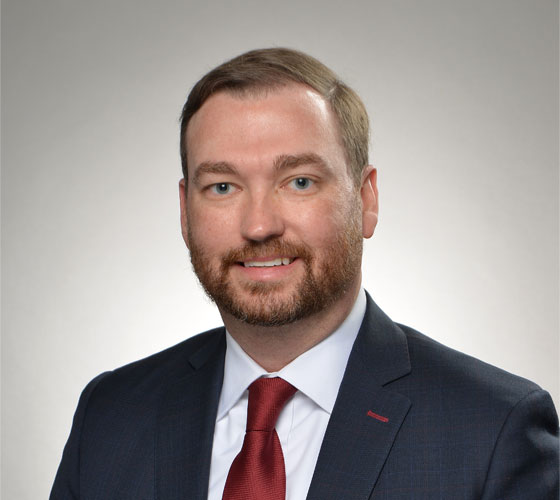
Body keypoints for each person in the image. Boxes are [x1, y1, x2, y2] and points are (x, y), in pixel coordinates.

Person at [50, 48, 559, 500]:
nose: (258, 225)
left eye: (298, 181)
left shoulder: (494, 429)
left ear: (366, 200)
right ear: (185, 212)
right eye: (223, 187)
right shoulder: (111, 415)